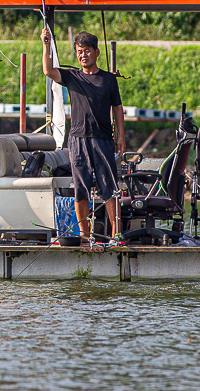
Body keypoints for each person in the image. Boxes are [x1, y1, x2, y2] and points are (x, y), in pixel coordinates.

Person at [41, 26, 125, 244]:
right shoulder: (72, 77)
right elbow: (48, 71)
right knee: (81, 189)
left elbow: (117, 108)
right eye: (79, 51)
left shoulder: (108, 79)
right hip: (77, 140)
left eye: (87, 50)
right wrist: (46, 44)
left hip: (103, 140)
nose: (83, 55)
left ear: (96, 52)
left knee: (109, 188)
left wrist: (121, 137)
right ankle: (85, 236)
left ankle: (116, 235)